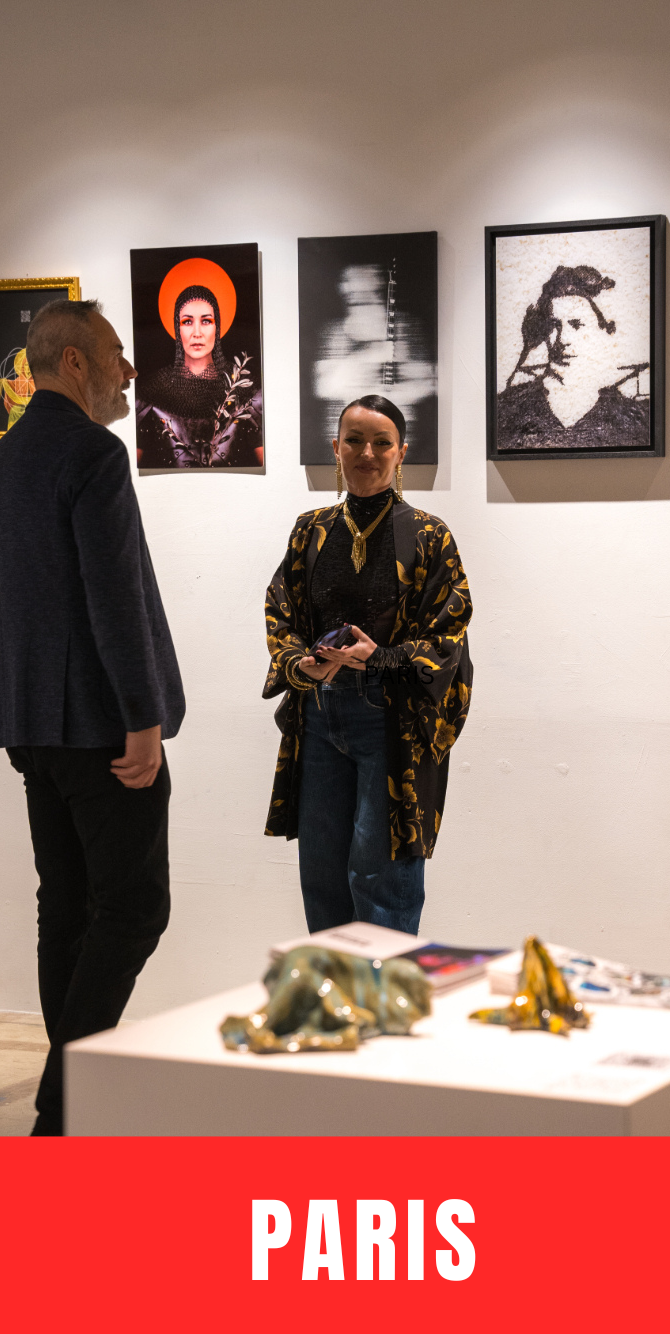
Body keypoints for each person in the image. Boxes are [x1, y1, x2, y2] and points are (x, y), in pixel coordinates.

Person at [0, 298, 185, 1136]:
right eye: (116, 354)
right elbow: (115, 599)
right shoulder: (93, 455)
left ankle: (69, 1108)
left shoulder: (3, 465)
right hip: (102, 727)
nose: (129, 369)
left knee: (64, 906)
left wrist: (34, 692)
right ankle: (63, 1104)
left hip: (31, 721)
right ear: (73, 365)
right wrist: (141, 717)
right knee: (134, 907)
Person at [263, 394, 473, 935]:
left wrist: (378, 658)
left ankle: (383, 1011)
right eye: (354, 440)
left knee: (382, 881)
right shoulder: (310, 530)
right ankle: (337, 1011)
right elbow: (280, 610)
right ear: (335, 448)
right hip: (319, 717)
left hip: (389, 722)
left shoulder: (429, 535)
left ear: (401, 452)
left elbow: (448, 637)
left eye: (382, 442)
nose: (367, 452)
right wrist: (300, 666)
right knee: (323, 878)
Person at [496, 263, 649, 451]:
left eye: (576, 325)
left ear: (601, 332)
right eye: (554, 326)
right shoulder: (507, 408)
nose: (563, 339)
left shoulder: (629, 417)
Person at [135, 283, 262, 468]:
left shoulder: (248, 391)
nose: (197, 333)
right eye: (187, 321)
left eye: (206, 321)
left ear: (217, 327)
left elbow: (271, 467)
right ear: (177, 329)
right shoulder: (150, 393)